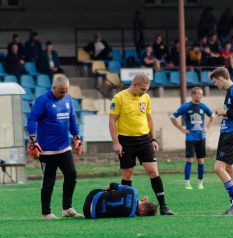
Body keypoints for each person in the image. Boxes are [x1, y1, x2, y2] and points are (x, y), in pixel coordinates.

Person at [109, 74, 174, 215]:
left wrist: (153, 139)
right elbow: (112, 121)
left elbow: (149, 118)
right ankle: (127, 208)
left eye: (146, 89)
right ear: (134, 85)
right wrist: (116, 143)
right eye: (143, 89)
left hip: (144, 139)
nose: (145, 92)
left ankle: (163, 206)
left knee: (153, 171)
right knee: (127, 174)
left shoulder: (146, 97)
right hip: (126, 141)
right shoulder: (119, 97)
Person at [27, 76, 83, 219]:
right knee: (49, 180)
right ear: (53, 88)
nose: (63, 94)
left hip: (64, 146)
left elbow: (72, 117)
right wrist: (33, 139)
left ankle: (67, 208)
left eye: (65, 91)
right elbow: (32, 119)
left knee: (71, 174)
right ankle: (46, 213)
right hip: (47, 149)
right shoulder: (43, 100)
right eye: (60, 92)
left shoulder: (68, 99)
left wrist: (76, 136)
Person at [208, 67, 233, 215]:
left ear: (220, 79)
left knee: (218, 168)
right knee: (230, 168)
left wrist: (224, 112)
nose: (214, 85)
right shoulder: (230, 92)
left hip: (231, 134)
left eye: (214, 81)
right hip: (229, 132)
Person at [170, 87, 215, 189]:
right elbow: (172, 116)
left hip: (201, 137)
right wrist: (181, 129)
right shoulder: (186, 106)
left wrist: (207, 127)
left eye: (201, 94)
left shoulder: (203, 106)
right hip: (190, 138)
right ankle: (187, 183)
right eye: (199, 94)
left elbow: (213, 116)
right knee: (189, 160)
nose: (200, 96)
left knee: (201, 160)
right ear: (193, 95)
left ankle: (200, 183)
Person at [83, 182, 158, 219]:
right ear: (142, 210)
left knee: (112, 192)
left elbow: (112, 185)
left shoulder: (133, 191)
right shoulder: (130, 215)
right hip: (89, 214)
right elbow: (129, 206)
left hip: (92, 195)